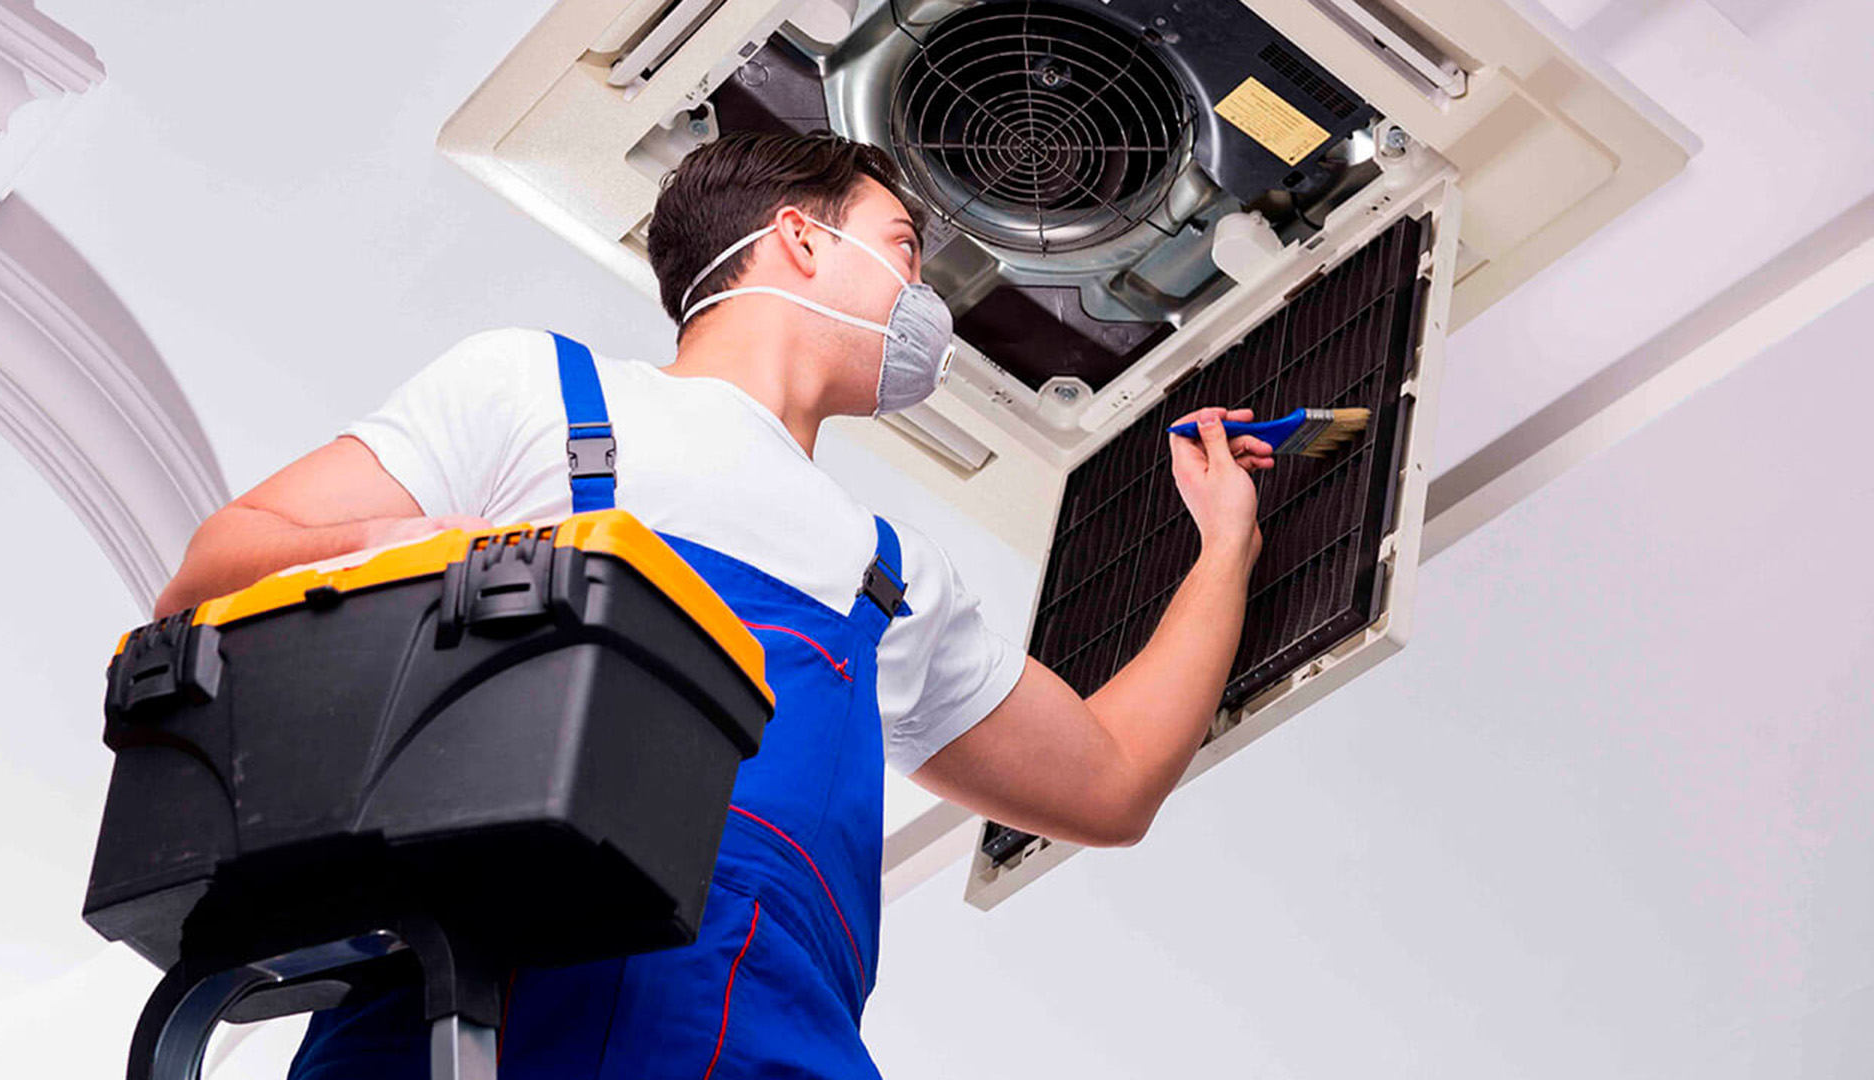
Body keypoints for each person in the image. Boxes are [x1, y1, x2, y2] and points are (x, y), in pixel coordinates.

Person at [153, 130, 1275, 1079]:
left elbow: (1113, 780)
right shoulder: (541, 392)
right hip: (457, 1023)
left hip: (763, 1044)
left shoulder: (891, 576)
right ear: (799, 236)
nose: (923, 299)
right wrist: (473, 557)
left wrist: (1224, 548)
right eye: (901, 249)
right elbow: (220, 571)